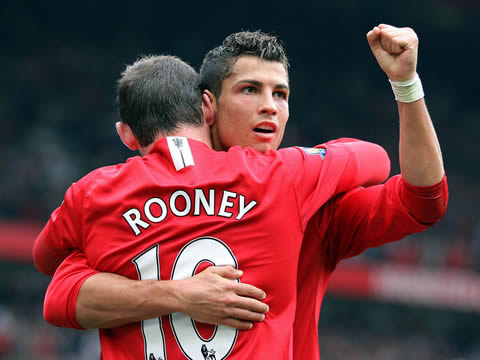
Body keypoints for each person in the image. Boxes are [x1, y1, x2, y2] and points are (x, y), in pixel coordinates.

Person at [35, 24, 448, 359]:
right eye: (250, 90)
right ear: (208, 106)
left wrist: (407, 85)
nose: (270, 106)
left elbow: (424, 201)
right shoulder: (292, 178)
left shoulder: (310, 202)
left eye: (280, 94)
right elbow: (59, 297)